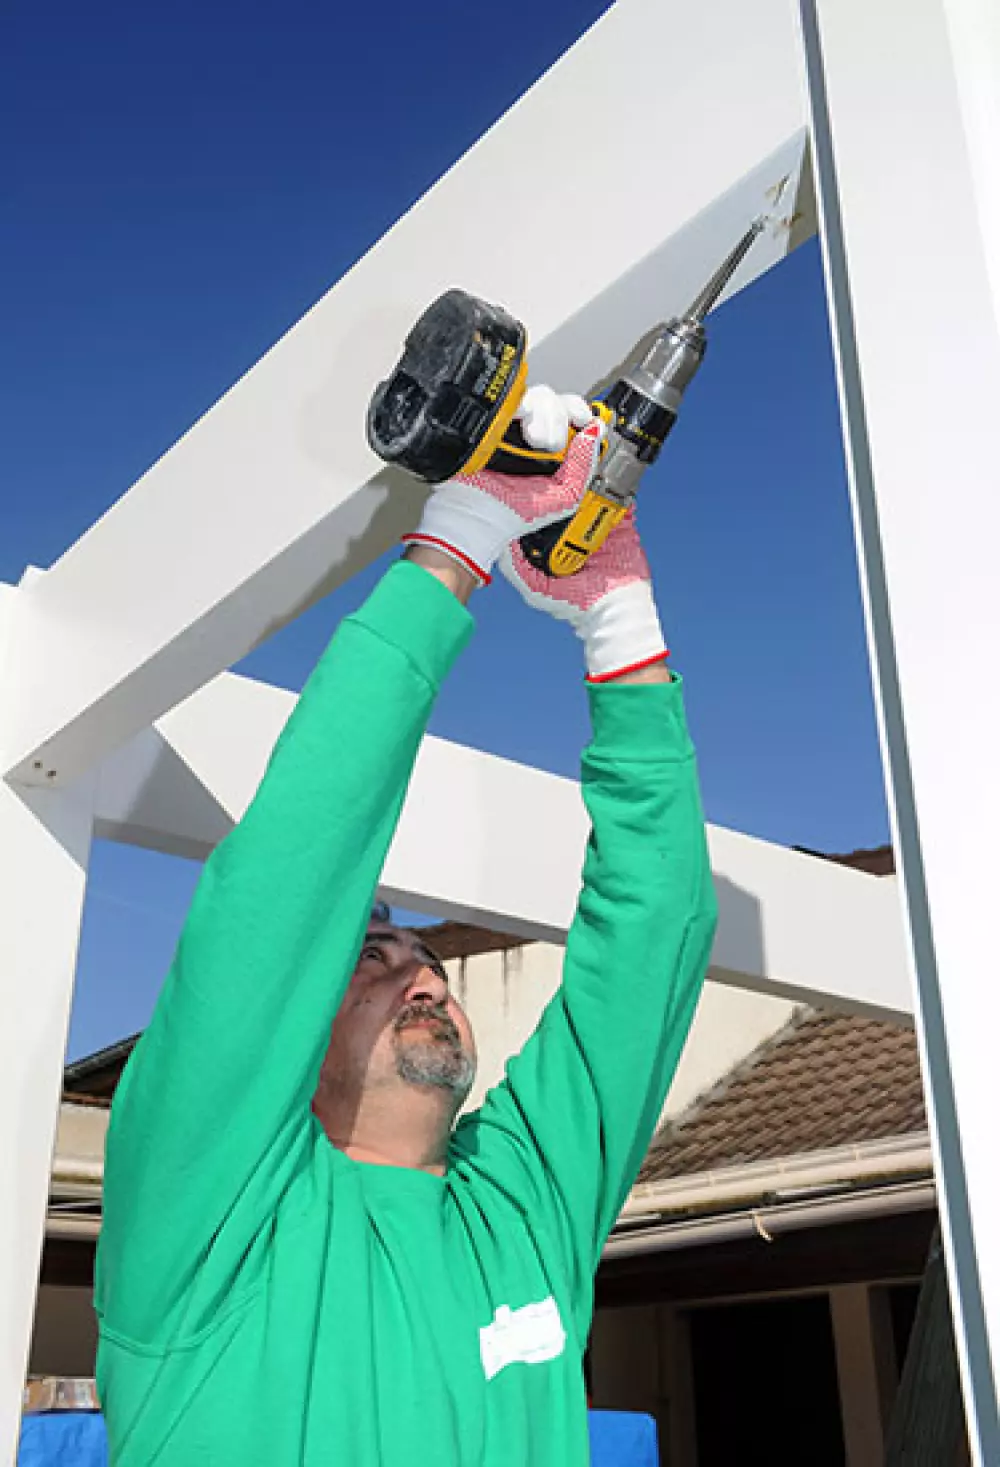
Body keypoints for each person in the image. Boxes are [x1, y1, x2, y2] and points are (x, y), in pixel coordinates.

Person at [95, 386, 718, 1465]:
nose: (423, 974)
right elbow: (284, 883)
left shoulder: (521, 1211)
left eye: (425, 956)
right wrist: (461, 536)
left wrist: (617, 623)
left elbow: (652, 938)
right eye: (371, 961)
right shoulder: (209, 1216)